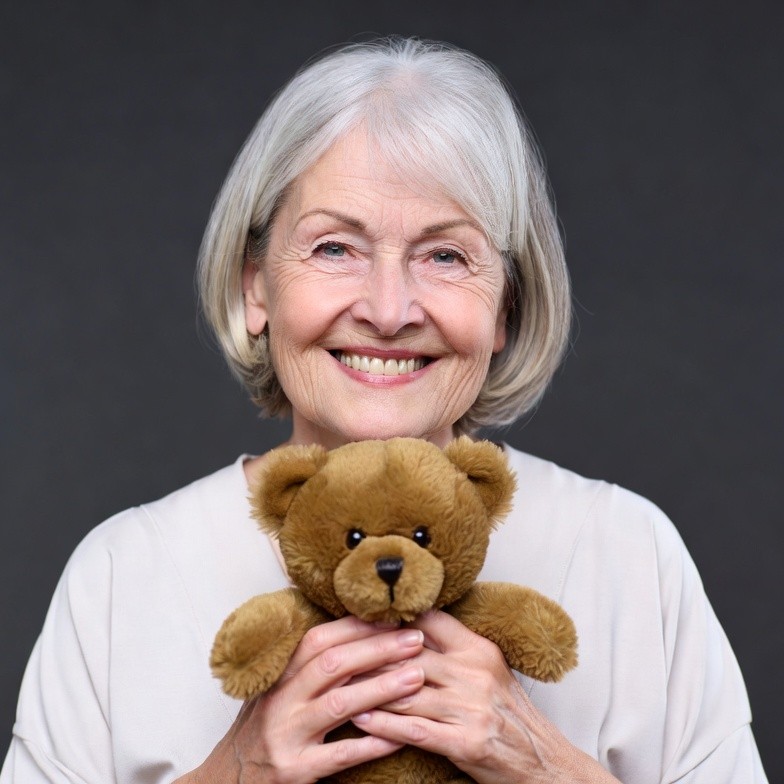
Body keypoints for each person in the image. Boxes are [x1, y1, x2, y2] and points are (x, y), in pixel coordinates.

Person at [0, 37, 767, 784]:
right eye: (335, 247)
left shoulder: (629, 555)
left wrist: (542, 767)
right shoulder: (121, 576)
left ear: (505, 307)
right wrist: (236, 778)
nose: (390, 310)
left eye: (445, 256)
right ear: (257, 286)